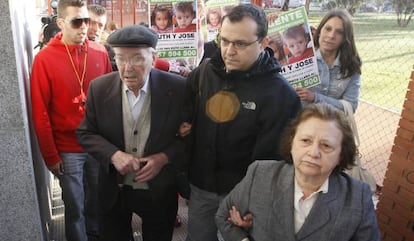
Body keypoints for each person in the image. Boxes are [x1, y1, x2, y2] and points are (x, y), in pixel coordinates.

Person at [184, 4, 301, 241]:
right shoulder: (206, 71)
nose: (228, 50)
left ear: (263, 41)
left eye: (240, 44)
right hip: (201, 188)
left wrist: (253, 202)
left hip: (242, 199)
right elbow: (184, 113)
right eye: (224, 40)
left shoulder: (280, 95)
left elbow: (276, 160)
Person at [77, 25, 187, 241]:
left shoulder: (179, 88)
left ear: (153, 58)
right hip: (113, 189)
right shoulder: (99, 88)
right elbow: (86, 133)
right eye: (120, 58)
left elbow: (190, 136)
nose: (127, 68)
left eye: (136, 59)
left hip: (159, 189)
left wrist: (164, 158)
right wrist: (113, 155)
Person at [216, 103, 381, 241]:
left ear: (341, 155)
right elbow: (224, 217)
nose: (313, 152)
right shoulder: (260, 174)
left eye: (326, 145)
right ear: (291, 143)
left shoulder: (358, 197)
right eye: (305, 141)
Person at [30, 1, 112, 241]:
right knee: (75, 206)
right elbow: (40, 111)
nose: (84, 27)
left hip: (97, 145)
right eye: (77, 21)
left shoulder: (99, 51)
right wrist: (50, 156)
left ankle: (96, 234)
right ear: (61, 23)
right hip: (67, 150)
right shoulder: (44, 60)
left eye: (87, 21)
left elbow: (110, 100)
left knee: (98, 200)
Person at [295, 9, 362, 112]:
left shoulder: (351, 65)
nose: (331, 36)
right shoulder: (302, 57)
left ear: (345, 38)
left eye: (339, 32)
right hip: (298, 123)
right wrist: (271, 24)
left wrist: (315, 98)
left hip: (331, 125)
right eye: (328, 29)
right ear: (319, 31)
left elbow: (350, 106)